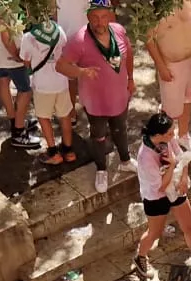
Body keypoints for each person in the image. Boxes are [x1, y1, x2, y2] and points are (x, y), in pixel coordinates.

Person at [58, 0, 133, 194]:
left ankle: (125, 160)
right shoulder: (79, 40)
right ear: (88, 16)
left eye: (104, 17)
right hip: (96, 103)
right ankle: (101, 169)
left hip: (120, 96)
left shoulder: (118, 30)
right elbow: (61, 66)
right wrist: (81, 72)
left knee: (121, 130)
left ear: (110, 16)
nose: (100, 22)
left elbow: (129, 55)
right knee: (98, 136)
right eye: (95, 18)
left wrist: (131, 79)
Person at [134, 113, 191, 272]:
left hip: (176, 188)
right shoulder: (145, 158)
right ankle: (140, 256)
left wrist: (184, 178)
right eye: (170, 133)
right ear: (157, 135)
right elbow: (160, 187)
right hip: (156, 197)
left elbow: (181, 157)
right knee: (154, 233)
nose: (173, 135)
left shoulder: (169, 140)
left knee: (189, 226)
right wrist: (171, 166)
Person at [20, 14, 73, 164]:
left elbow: (26, 62)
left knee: (44, 118)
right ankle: (69, 151)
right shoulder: (59, 30)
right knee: (65, 116)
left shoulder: (28, 37)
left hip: (43, 85)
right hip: (61, 81)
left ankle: (53, 153)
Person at [146, 0, 191, 139]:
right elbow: (149, 40)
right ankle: (168, 140)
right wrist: (161, 67)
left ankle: (183, 135)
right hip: (170, 65)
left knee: (188, 99)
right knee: (170, 110)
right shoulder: (151, 7)